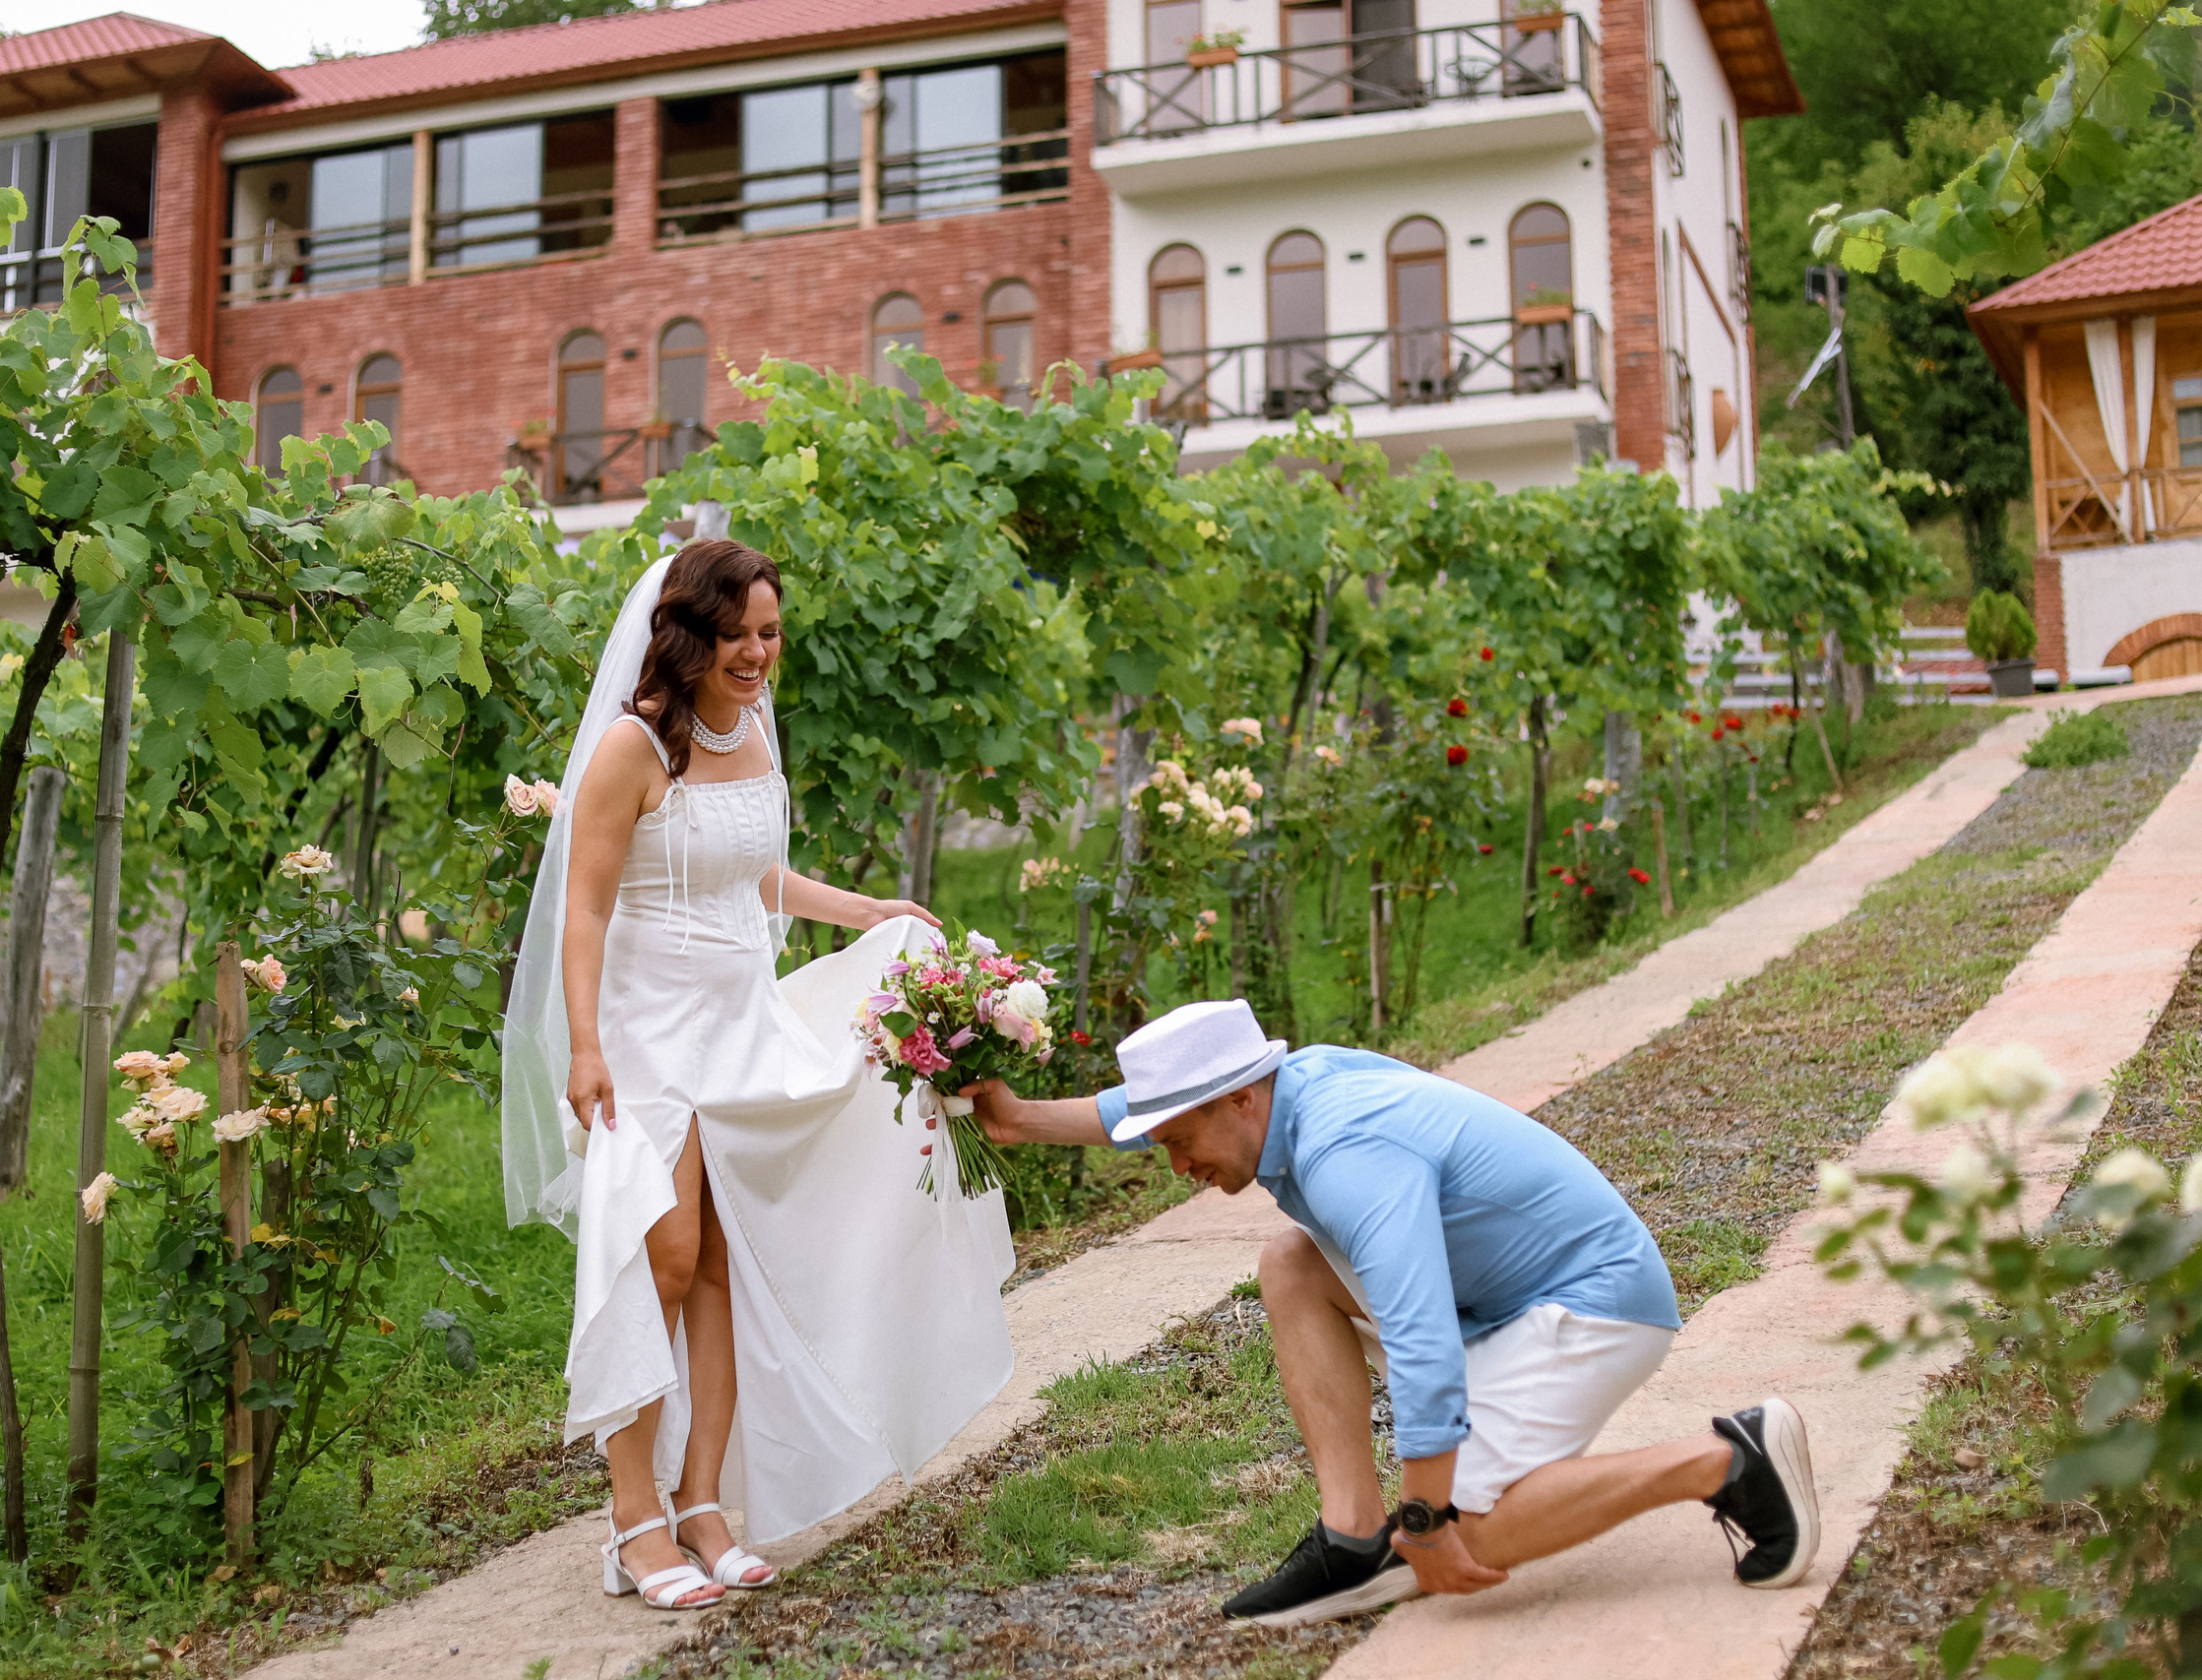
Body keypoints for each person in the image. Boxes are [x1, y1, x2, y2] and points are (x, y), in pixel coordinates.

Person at [502, 540, 1015, 1611]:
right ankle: (631, 1519)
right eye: (735, 635)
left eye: (769, 634)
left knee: (731, 1264)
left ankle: (704, 1505)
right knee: (666, 1255)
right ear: (689, 635)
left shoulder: (754, 738)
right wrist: (585, 1045)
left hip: (741, 1025)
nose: (754, 653)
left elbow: (756, 874)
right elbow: (584, 907)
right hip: (647, 1029)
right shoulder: (630, 750)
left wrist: (866, 910)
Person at [963, 998, 1819, 1628]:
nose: (1176, 1163)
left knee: (1472, 1530)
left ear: (1240, 1100)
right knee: (1291, 1262)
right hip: (1499, 1300)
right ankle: (1352, 1539)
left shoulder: (1344, 1150)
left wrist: (1429, 1519)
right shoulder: (1286, 1084)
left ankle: (1726, 1460)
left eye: (1181, 1141)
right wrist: (1016, 1120)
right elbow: (1126, 1114)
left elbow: (1421, 1342)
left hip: (1590, 1302)